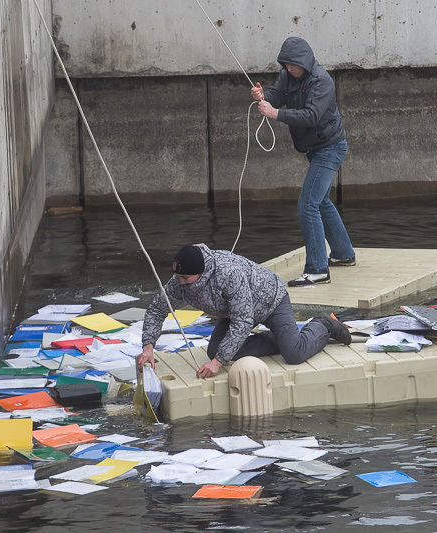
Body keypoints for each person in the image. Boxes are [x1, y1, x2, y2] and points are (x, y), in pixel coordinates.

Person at [135, 244, 351, 378]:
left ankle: (322, 324)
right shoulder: (180, 281)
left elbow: (243, 321)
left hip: (271, 301)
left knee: (293, 354)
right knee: (216, 351)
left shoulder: (227, 274)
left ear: (201, 273)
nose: (180, 283)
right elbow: (156, 309)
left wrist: (217, 363)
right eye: (178, 278)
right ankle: (282, 339)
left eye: (185, 279)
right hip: (236, 311)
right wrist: (148, 347)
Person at [251, 36, 356, 287]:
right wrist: (263, 95)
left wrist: (275, 114)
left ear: (304, 62)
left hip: (330, 148)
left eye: (293, 65)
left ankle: (317, 270)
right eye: (285, 65)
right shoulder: (288, 75)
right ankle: (343, 254)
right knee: (320, 202)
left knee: (307, 204)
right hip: (315, 149)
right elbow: (276, 94)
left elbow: (311, 116)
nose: (289, 69)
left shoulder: (322, 81)